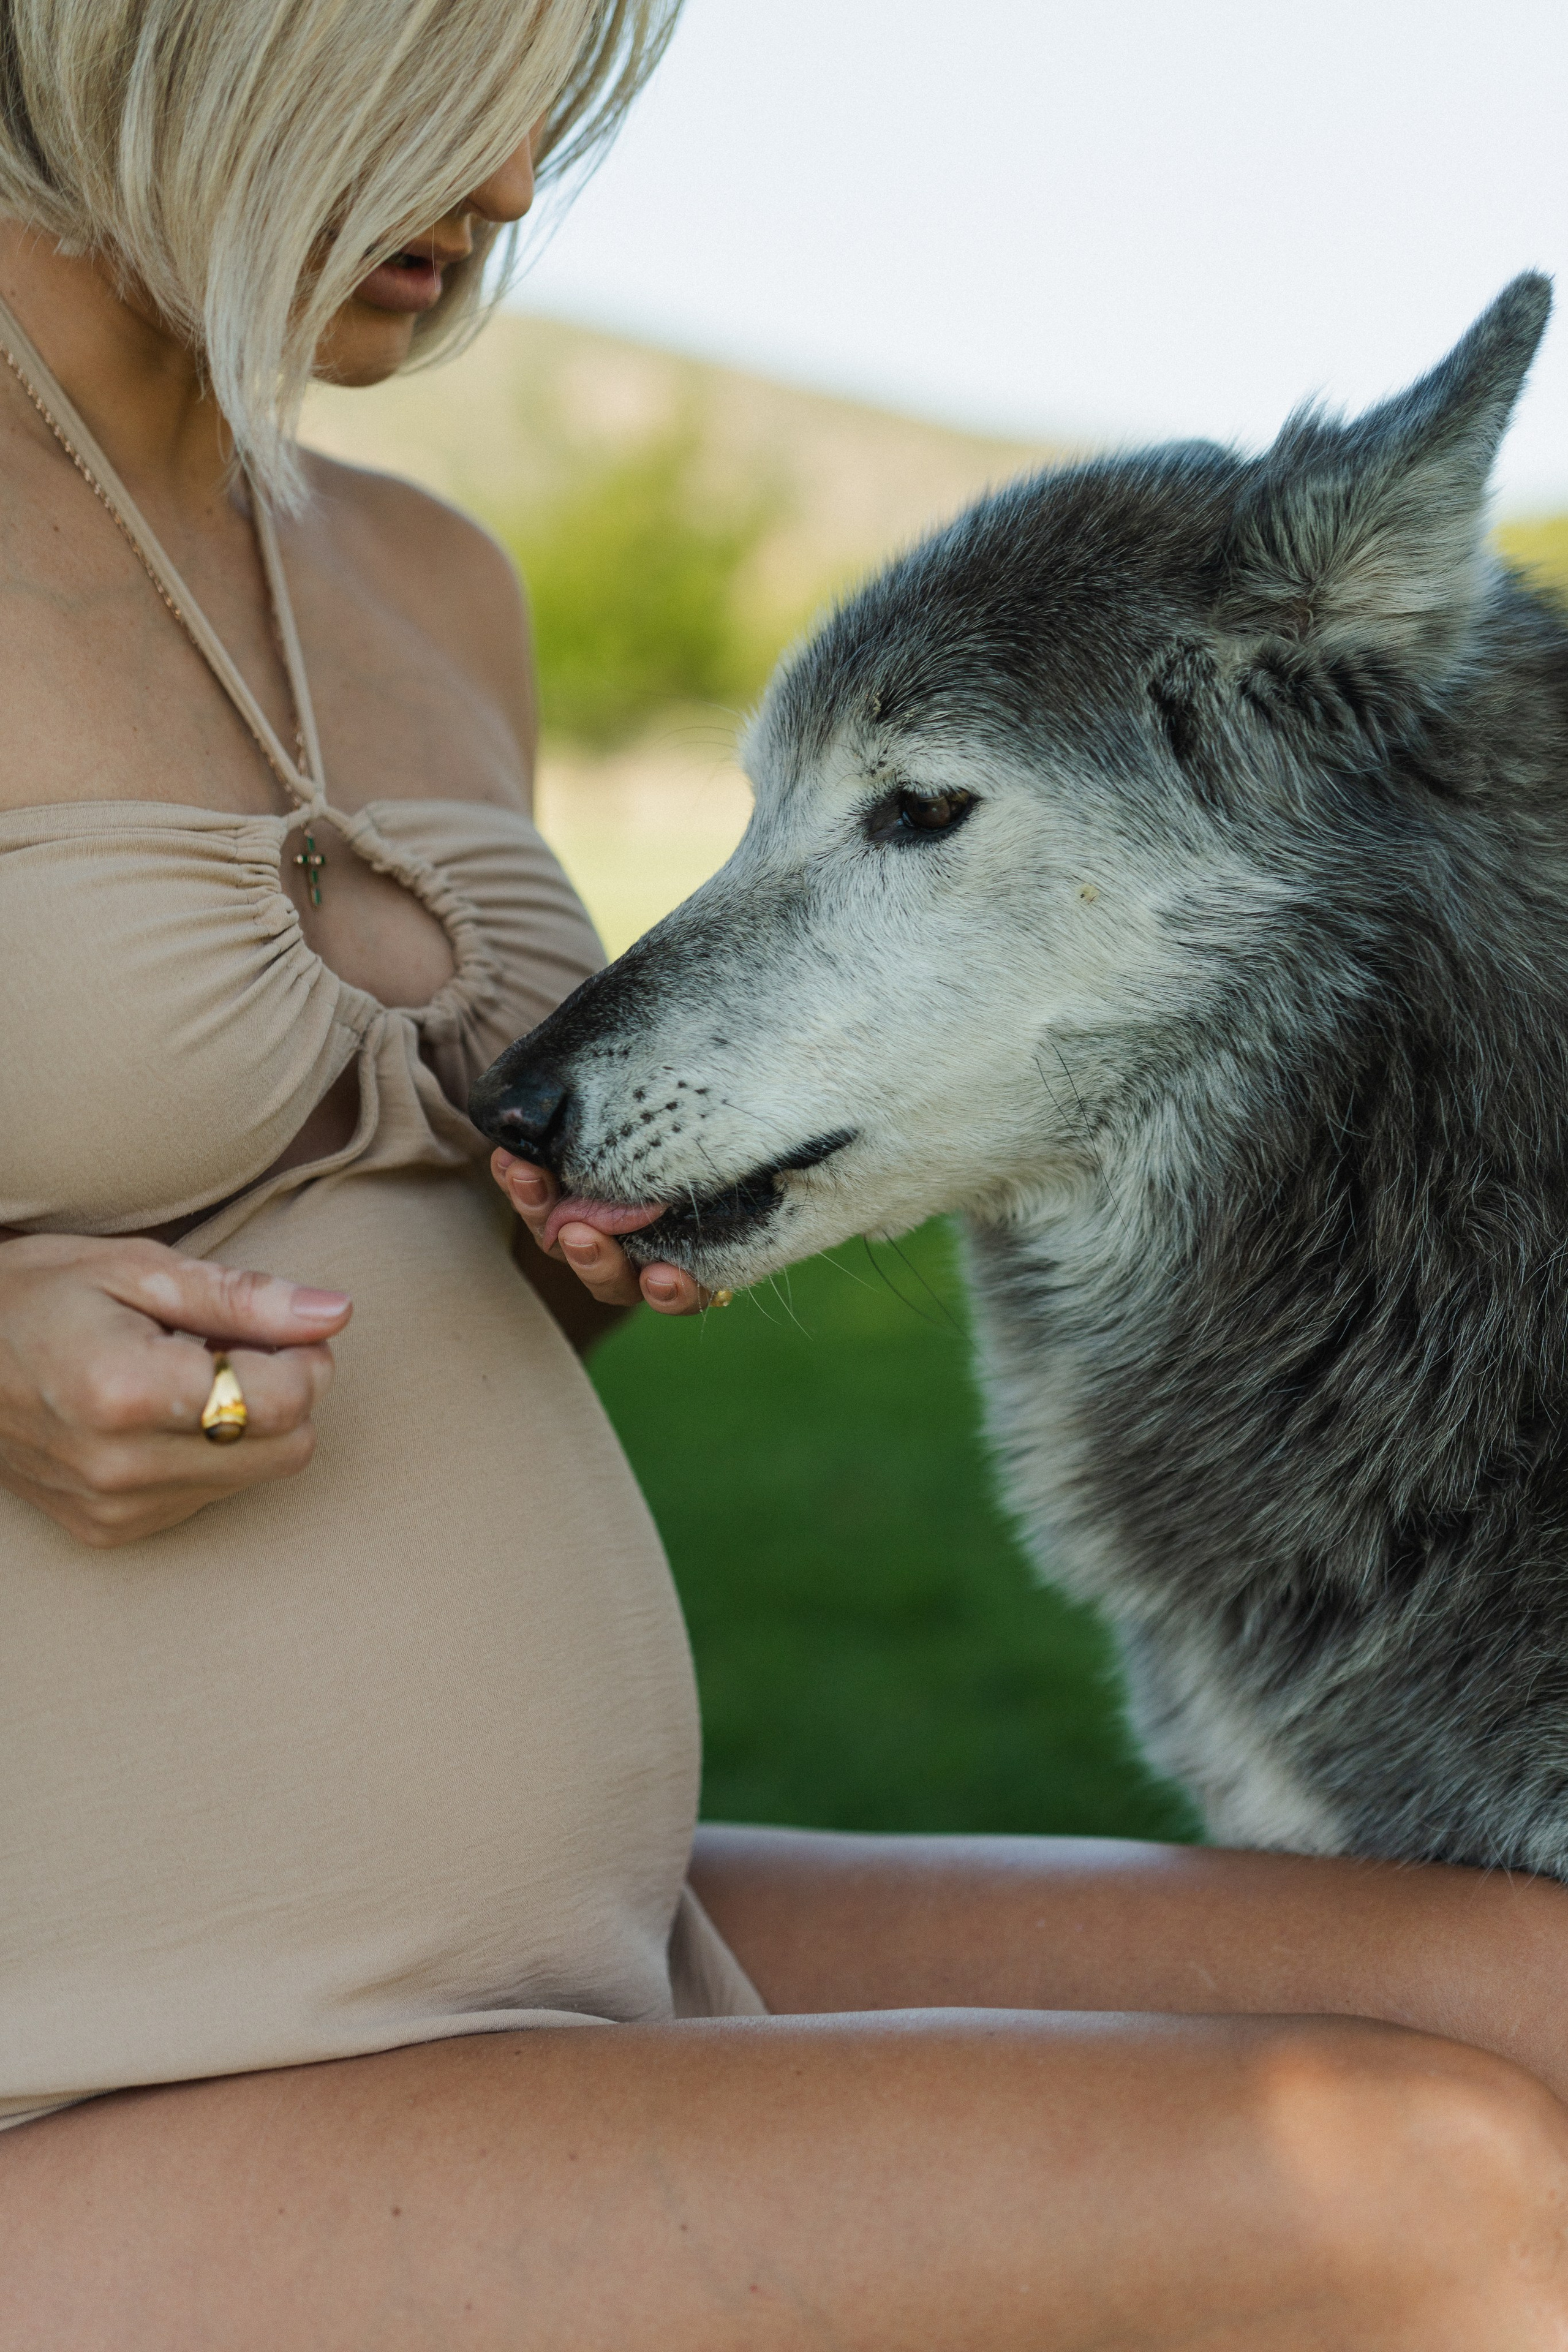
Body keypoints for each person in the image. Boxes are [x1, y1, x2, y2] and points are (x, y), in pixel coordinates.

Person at [0, 4, 1565, 2343]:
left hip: (577, 1923)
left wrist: (586, 1242)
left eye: (561, 106)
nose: (516, 185)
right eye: (441, 89)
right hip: (104, 2033)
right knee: (1434, 2198)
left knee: (1540, 2003)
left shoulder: (427, 583)